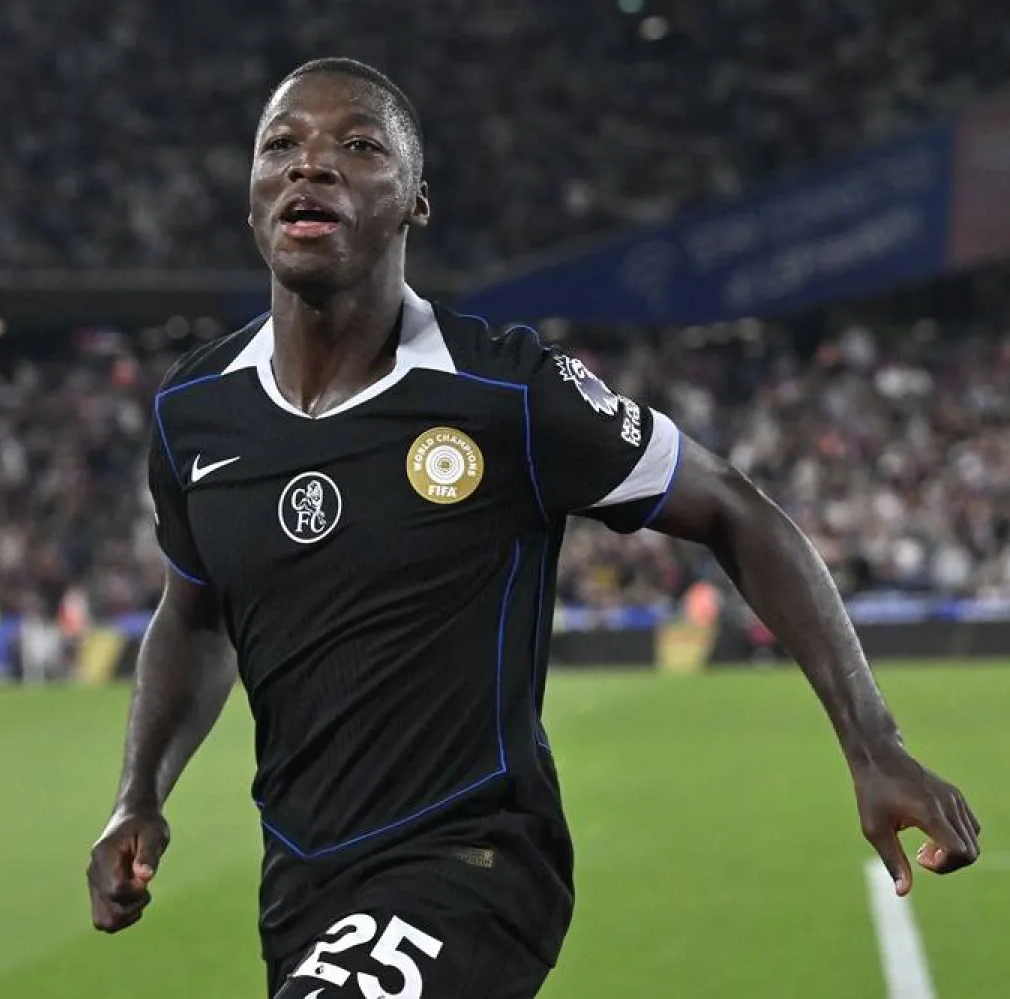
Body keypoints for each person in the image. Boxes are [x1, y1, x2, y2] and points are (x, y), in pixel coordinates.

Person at [86, 58, 982, 998]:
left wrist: (873, 741)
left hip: (473, 858)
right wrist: (138, 793)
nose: (311, 166)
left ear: (415, 202)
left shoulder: (507, 392)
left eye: (357, 146)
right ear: (254, 193)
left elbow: (734, 508)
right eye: (282, 146)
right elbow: (193, 615)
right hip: (303, 877)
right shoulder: (195, 411)